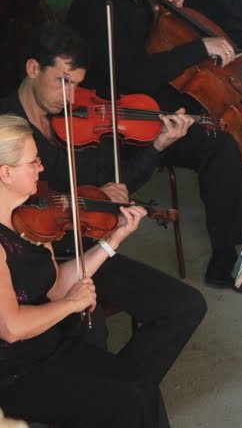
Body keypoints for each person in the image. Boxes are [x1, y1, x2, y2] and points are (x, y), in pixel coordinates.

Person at [65, 0, 242, 293]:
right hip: (122, 124)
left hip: (148, 104)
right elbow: (133, 75)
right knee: (215, 143)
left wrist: (159, 13)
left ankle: (238, 215)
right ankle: (224, 260)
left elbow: (141, 47)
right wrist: (198, 47)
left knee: (220, 118)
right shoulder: (98, 7)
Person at [0, 21, 206, 383]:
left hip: (90, 250)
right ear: (33, 69)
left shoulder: (81, 119)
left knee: (185, 306)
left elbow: (118, 184)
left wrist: (157, 146)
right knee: (88, 331)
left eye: (77, 84)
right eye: (63, 81)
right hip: (31, 272)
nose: (70, 95)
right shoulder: (5, 131)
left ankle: (123, 394)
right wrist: (84, 199)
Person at [0, 114, 170, 426]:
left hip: (51, 347)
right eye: (33, 161)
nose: (42, 167)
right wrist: (71, 305)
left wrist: (113, 239)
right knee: (129, 399)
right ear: (6, 173)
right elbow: (11, 328)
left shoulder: (30, 215)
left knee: (143, 387)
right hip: (16, 372)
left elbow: (54, 286)